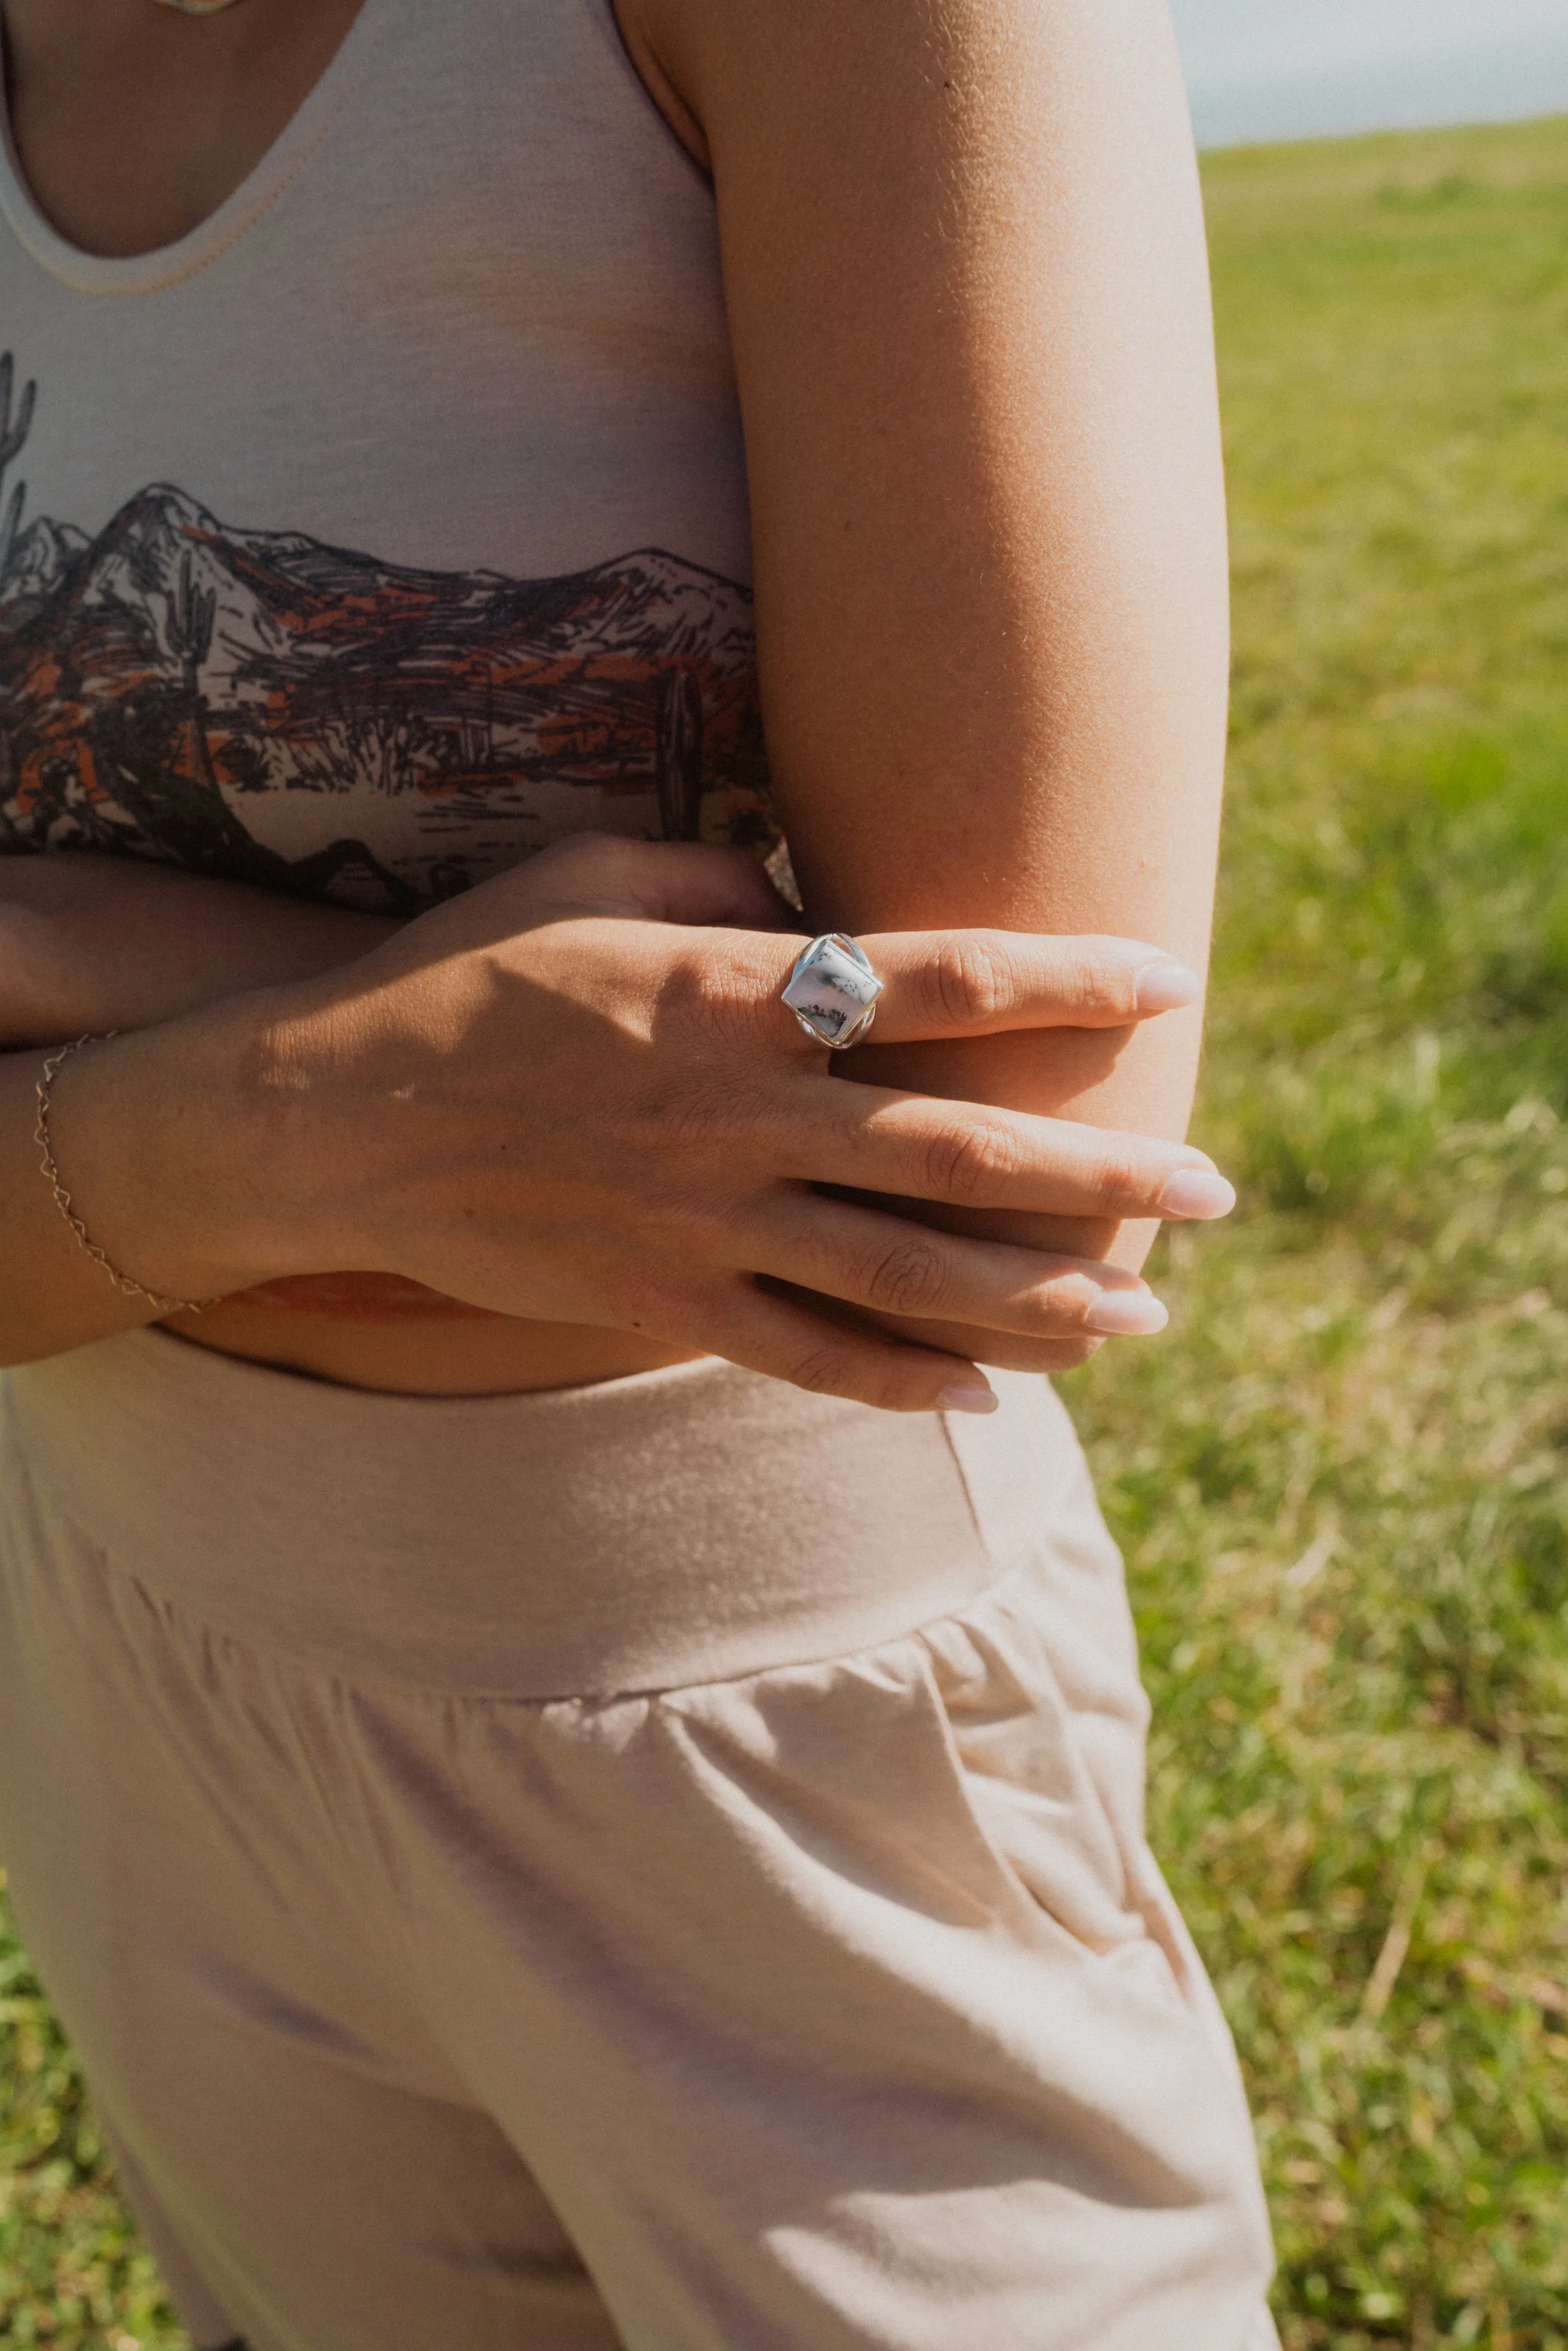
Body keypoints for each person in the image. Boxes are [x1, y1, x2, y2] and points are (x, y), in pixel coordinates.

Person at [0, 0, 1278, 2343]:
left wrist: (64, 987)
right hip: (109, 1657)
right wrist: (365, 1095)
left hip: (756, 1727)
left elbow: (993, 1163)